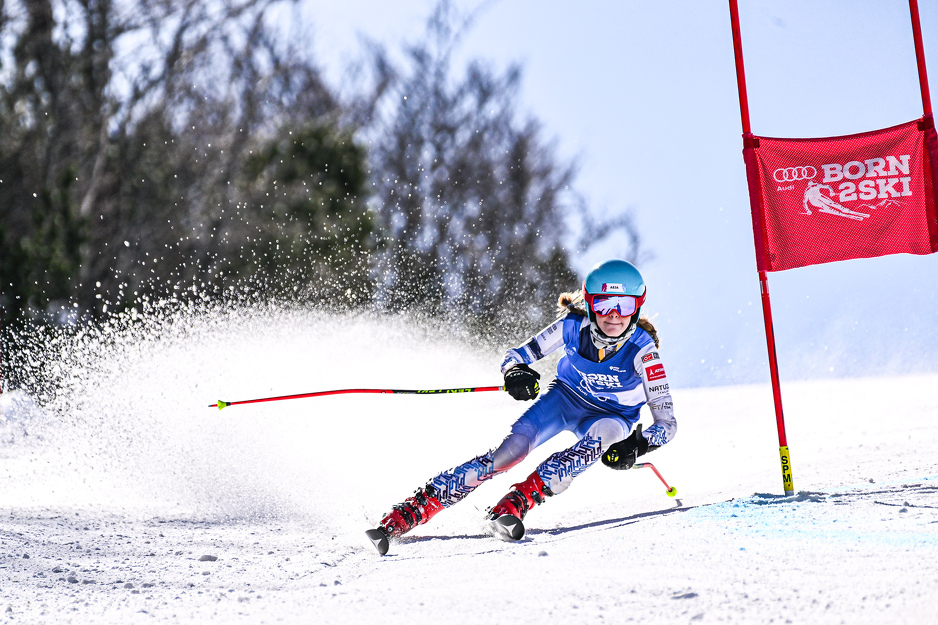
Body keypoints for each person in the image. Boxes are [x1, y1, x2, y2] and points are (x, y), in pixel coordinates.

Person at [365, 259, 677, 554]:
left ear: (637, 307)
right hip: (565, 399)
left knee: (605, 435)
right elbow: (518, 355)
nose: (613, 316)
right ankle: (412, 509)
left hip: (613, 417)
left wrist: (637, 446)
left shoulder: (644, 353)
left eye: (623, 306)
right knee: (508, 453)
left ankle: (515, 503)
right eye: (603, 304)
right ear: (589, 304)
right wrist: (515, 372)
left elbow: (667, 424)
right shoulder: (572, 326)